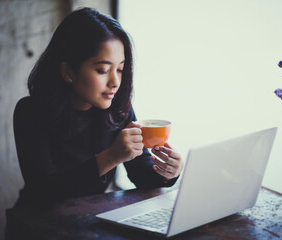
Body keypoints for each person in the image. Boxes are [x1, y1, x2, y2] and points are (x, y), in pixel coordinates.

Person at [12, 7, 183, 208]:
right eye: (102, 70)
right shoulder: (31, 112)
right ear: (68, 71)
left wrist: (169, 172)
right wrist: (110, 157)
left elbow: (142, 176)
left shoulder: (118, 109)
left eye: (120, 69)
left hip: (88, 220)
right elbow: (45, 191)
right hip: (37, 225)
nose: (115, 82)